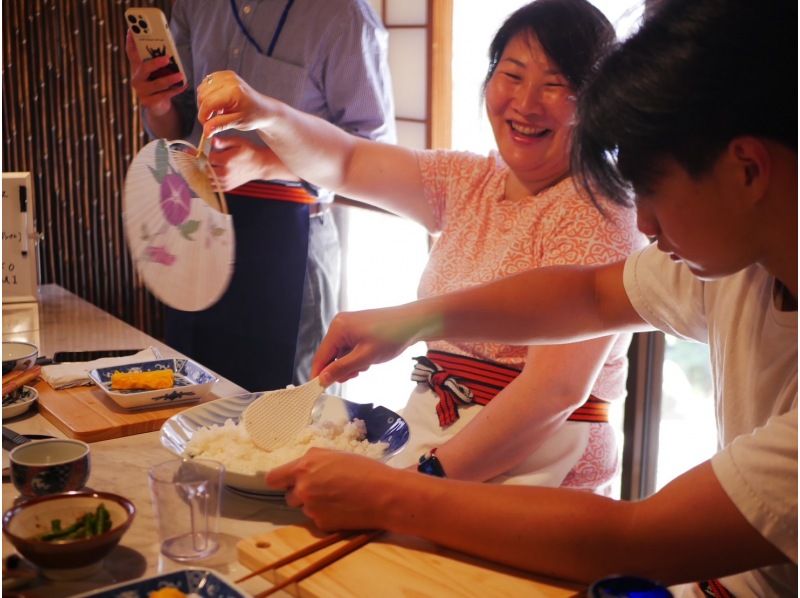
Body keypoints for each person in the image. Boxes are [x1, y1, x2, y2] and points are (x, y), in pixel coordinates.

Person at [255, 0, 795, 594]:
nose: (642, 224)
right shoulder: (738, 267)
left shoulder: (617, 218)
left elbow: (637, 541)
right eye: (511, 75)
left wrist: (397, 491)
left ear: (746, 169)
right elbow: (588, 295)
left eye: (653, 190)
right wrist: (408, 322)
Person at [196, 0, 644, 493]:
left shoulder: (600, 208)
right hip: (436, 440)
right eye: (512, 75)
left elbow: (552, 392)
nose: (526, 102)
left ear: (598, 99)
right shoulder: (471, 178)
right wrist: (267, 115)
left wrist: (422, 482)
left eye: (556, 84)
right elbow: (346, 161)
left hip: (538, 470)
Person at [125, 0, 395, 391]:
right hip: (199, 228)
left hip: (290, 238)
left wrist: (265, 163)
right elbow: (176, 127)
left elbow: (374, 154)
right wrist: (156, 102)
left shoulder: (343, 14)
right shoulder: (195, 5)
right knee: (192, 399)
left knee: (290, 414)